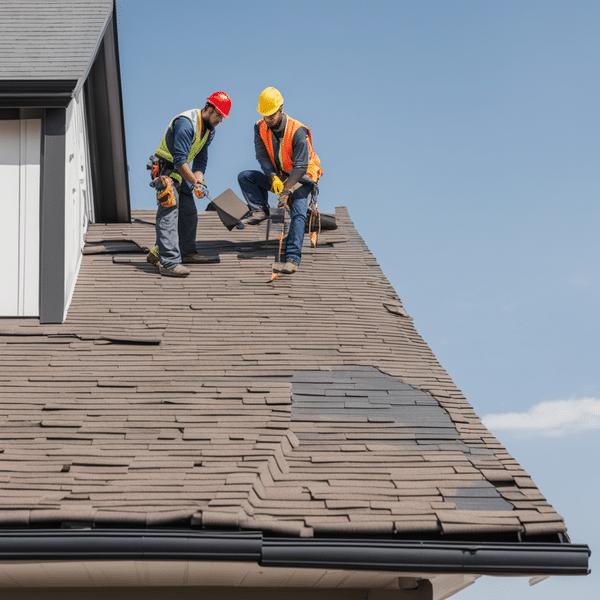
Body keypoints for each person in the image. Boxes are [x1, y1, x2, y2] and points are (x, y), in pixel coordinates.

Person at [237, 87, 322, 274]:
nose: (268, 119)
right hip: (281, 175)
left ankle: (293, 258)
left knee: (298, 208)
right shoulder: (260, 127)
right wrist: (272, 176)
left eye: (271, 115)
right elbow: (262, 157)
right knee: (245, 177)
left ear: (281, 110)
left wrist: (286, 191)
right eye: (265, 115)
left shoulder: (297, 131)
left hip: (303, 176)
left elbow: (300, 166)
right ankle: (260, 210)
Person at [146, 92, 231, 277]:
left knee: (189, 213)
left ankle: (186, 252)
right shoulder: (186, 124)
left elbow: (201, 160)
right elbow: (179, 161)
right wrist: (193, 182)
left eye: (223, 118)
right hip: (167, 171)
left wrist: (199, 181)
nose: (220, 121)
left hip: (181, 174)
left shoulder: (209, 131)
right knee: (169, 213)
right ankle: (168, 262)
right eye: (218, 116)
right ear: (208, 109)